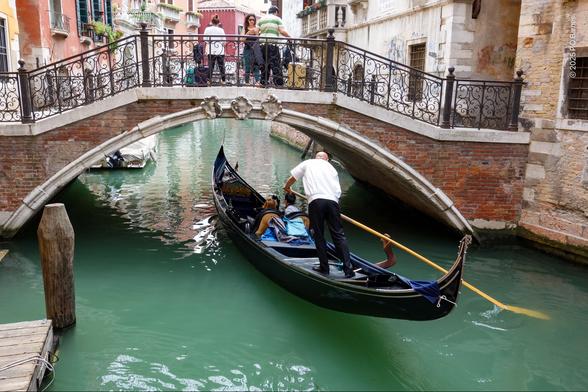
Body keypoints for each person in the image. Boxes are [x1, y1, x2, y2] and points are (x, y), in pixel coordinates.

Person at [283, 152, 355, 278]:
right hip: (333, 202)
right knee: (339, 235)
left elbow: (293, 177)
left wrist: (287, 187)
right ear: (327, 160)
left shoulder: (308, 163)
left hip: (316, 201)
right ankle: (348, 270)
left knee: (319, 234)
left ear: (316, 157)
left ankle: (324, 267)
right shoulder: (332, 169)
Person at [257, 5, 290, 86]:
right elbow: (282, 31)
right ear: (276, 12)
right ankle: (278, 83)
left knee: (265, 64)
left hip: (262, 44)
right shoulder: (277, 19)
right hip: (272, 44)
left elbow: (256, 32)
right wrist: (289, 37)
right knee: (275, 63)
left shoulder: (261, 19)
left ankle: (264, 82)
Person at [203, 14, 226, 85]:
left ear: (211, 22)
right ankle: (223, 80)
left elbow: (205, 39)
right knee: (221, 65)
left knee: (211, 66)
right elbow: (224, 41)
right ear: (218, 22)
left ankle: (209, 81)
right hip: (220, 50)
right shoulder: (221, 30)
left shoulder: (207, 29)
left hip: (211, 49)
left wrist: (210, 42)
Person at [242, 13, 262, 85]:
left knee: (256, 66)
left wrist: (257, 33)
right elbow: (241, 39)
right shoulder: (245, 29)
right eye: (250, 19)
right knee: (247, 66)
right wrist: (248, 33)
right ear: (247, 20)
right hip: (247, 49)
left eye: (253, 20)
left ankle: (257, 81)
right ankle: (247, 82)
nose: (252, 21)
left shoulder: (257, 28)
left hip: (256, 50)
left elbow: (260, 39)